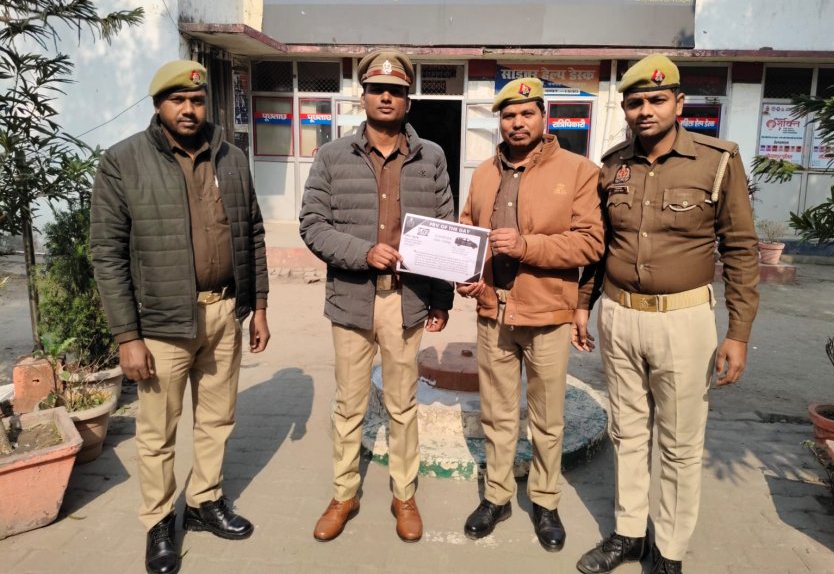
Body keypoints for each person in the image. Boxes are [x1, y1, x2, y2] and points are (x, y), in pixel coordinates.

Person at [574, 54, 759, 574]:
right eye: (635, 102)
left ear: (679, 103)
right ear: (625, 109)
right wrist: (584, 305)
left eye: (657, 100)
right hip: (620, 316)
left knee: (679, 442)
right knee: (627, 432)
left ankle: (670, 552)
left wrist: (738, 331)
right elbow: (601, 246)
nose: (645, 110)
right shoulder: (613, 165)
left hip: (684, 320)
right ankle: (630, 534)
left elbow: (741, 248)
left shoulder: (717, 160)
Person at [91, 60, 270, 574]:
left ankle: (204, 501)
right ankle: (158, 521)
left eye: (196, 100)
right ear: (158, 106)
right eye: (177, 100)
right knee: (157, 431)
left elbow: (252, 233)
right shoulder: (123, 161)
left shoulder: (232, 157)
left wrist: (258, 306)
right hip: (162, 323)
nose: (189, 109)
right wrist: (127, 336)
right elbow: (107, 253)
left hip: (224, 312)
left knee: (217, 419)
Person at [299, 48, 454, 543]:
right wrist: (364, 253)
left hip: (406, 301)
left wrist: (442, 299)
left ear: (408, 100)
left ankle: (403, 495)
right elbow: (312, 225)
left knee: (403, 405)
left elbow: (445, 229)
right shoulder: (332, 156)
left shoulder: (431, 157)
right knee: (349, 404)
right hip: (352, 299)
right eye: (377, 89)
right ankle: (344, 493)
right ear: (362, 95)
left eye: (396, 91)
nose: (386, 97)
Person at [458, 77, 605, 552]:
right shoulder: (484, 173)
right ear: (499, 121)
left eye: (526, 113)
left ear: (545, 117)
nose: (517, 123)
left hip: (547, 314)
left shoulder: (578, 171)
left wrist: (527, 246)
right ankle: (497, 496)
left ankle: (545, 500)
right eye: (508, 115)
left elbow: (591, 242)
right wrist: (466, 273)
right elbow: (467, 229)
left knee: (546, 418)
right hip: (492, 312)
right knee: (497, 414)